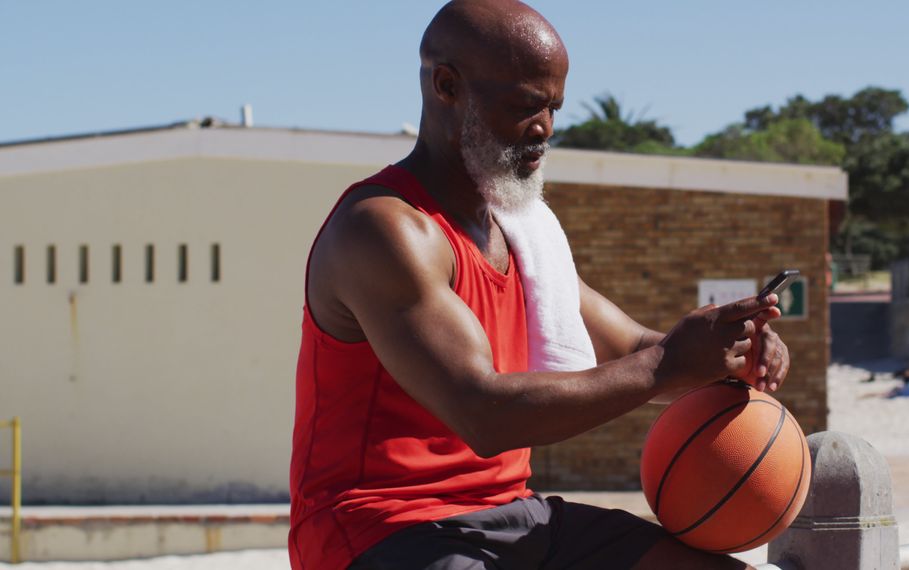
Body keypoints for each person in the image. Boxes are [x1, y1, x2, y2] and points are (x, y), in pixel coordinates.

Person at [289, 2, 791, 569]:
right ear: (447, 86)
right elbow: (482, 412)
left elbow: (631, 350)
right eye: (526, 106)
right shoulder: (385, 229)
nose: (545, 129)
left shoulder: (520, 229)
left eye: (553, 107)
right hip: (382, 528)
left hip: (511, 514)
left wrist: (729, 353)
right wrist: (672, 363)